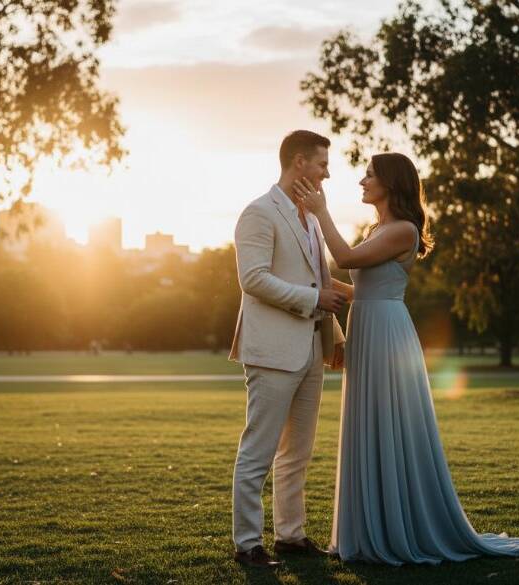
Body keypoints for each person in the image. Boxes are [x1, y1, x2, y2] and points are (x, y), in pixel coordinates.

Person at [292, 152, 519, 565]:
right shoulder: (381, 228)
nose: (361, 180)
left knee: (390, 420)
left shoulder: (404, 230)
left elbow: (348, 259)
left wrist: (320, 212)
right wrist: (308, 283)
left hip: (387, 334)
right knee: (370, 419)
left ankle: (397, 527)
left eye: (369, 174)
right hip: (369, 324)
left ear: (391, 183)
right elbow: (362, 287)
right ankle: (373, 525)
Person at [229, 130, 347, 569]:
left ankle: (291, 537)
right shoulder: (258, 213)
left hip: (311, 351)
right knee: (258, 450)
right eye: (322, 164)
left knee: (298, 451)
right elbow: (253, 279)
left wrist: (333, 336)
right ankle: (247, 544)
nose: (327, 173)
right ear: (299, 163)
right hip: (273, 351)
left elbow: (321, 280)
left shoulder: (312, 220)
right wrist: (314, 300)